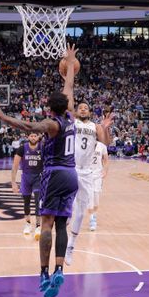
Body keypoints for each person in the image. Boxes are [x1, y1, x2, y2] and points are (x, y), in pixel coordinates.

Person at [0, 44, 99, 297]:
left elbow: (27, 125)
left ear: (50, 107)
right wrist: (70, 65)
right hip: (72, 176)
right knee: (62, 223)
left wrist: (3, 116)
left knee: (46, 223)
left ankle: (43, 273)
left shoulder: (51, 123)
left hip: (55, 173)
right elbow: (69, 89)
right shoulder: (71, 116)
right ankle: (60, 268)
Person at [64, 100, 110, 265]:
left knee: (82, 212)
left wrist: (105, 127)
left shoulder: (95, 126)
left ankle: (71, 246)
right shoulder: (72, 122)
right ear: (76, 112)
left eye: (86, 107)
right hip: (71, 167)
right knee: (67, 199)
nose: (83, 109)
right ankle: (66, 212)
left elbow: (105, 144)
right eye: (80, 108)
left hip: (87, 172)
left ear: (90, 112)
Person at [11, 132, 43, 240]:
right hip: (26, 177)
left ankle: (38, 226)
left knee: (38, 201)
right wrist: (13, 182)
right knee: (26, 202)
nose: (33, 137)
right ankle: (28, 224)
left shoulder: (42, 148)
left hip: (39, 177)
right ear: (28, 137)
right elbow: (15, 166)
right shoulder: (22, 148)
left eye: (35, 135)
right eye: (31, 136)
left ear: (38, 137)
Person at [88, 140, 109, 232]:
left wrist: (105, 171)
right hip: (87, 174)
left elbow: (106, 159)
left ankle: (94, 214)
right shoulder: (86, 144)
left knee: (96, 198)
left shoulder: (102, 146)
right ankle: (92, 219)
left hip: (98, 175)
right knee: (90, 198)